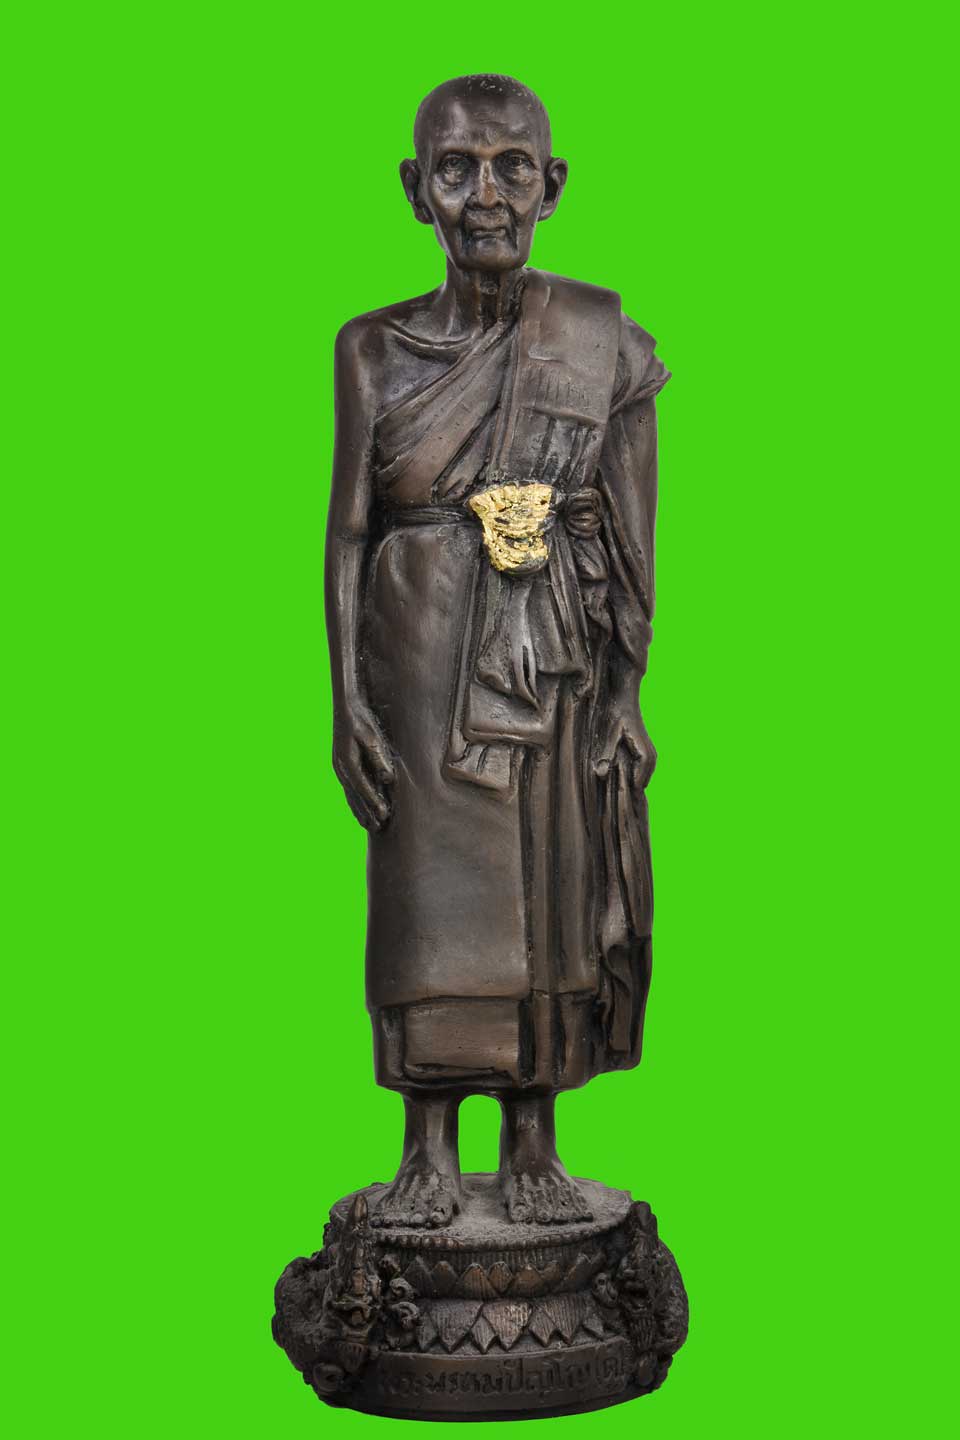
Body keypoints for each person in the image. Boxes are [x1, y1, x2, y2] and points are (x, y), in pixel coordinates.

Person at [325, 74, 669, 1229]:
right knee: (425, 894)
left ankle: (532, 1143)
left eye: (512, 166)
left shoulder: (600, 346)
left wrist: (625, 692)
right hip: (414, 657)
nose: (486, 194)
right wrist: (345, 700)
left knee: (547, 883)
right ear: (415, 189)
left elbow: (633, 539)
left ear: (551, 185)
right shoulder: (373, 350)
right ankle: (426, 1143)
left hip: (548, 651)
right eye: (458, 168)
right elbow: (347, 533)